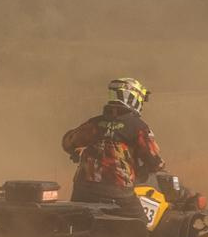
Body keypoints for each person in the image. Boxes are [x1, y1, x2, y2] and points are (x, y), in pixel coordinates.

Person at [61, 77, 163, 222]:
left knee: (75, 226)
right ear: (133, 98)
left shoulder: (94, 124)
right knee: (142, 227)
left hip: (84, 191)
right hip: (119, 193)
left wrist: (76, 152)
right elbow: (155, 162)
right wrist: (142, 171)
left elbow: (67, 142)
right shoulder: (138, 127)